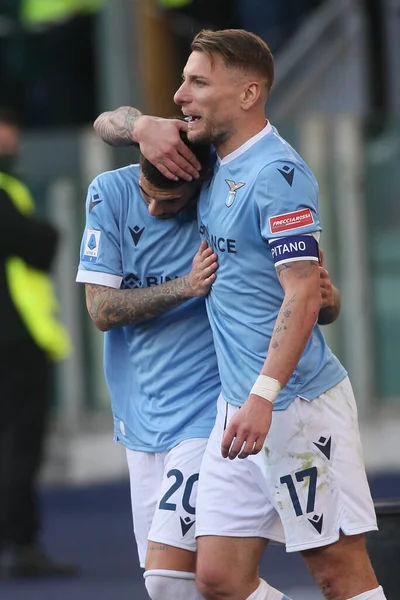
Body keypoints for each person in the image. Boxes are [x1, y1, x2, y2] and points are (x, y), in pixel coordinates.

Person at [92, 29, 385, 600]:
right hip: (236, 409)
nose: (180, 95)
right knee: (217, 578)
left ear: (249, 94)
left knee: (337, 571)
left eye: (197, 82)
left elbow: (304, 293)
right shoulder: (217, 160)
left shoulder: (278, 174)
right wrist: (141, 126)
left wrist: (263, 395)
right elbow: (107, 124)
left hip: (294, 406)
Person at [77, 128, 340, 600]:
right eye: (148, 194)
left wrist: (325, 295)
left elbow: (312, 296)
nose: (156, 210)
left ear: (199, 187)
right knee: (187, 588)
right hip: (139, 421)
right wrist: (184, 286)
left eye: (172, 202)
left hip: (208, 416)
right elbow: (100, 311)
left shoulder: (228, 200)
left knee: (168, 581)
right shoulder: (109, 191)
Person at [0, 107, 75, 579]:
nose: (13, 137)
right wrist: (47, 232)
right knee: (18, 445)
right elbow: (36, 242)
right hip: (14, 337)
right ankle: (21, 545)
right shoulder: (6, 190)